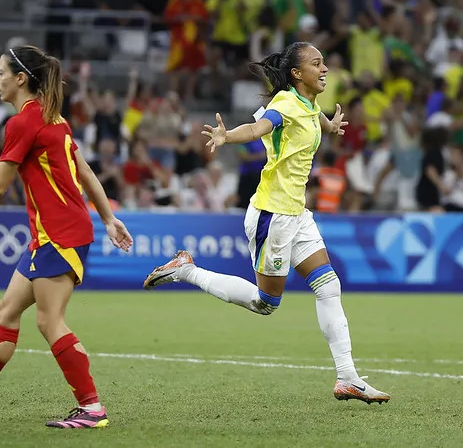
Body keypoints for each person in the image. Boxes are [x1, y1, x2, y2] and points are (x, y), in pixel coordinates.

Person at [143, 42, 391, 404]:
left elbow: (312, 115)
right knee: (265, 304)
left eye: (325, 63)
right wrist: (226, 136)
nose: (325, 70)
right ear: (296, 73)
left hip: (297, 214)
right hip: (273, 216)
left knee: (328, 287)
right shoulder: (285, 104)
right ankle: (186, 270)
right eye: (317, 64)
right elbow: (259, 127)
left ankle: (347, 378)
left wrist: (330, 124)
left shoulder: (306, 102)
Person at [0, 45, 133, 428]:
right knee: (7, 311)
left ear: (20, 78)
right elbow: (85, 171)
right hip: (53, 236)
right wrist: (108, 218)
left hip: (61, 236)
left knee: (49, 321)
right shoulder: (53, 118)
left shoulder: (23, 123)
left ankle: (92, 409)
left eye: (0, 72)